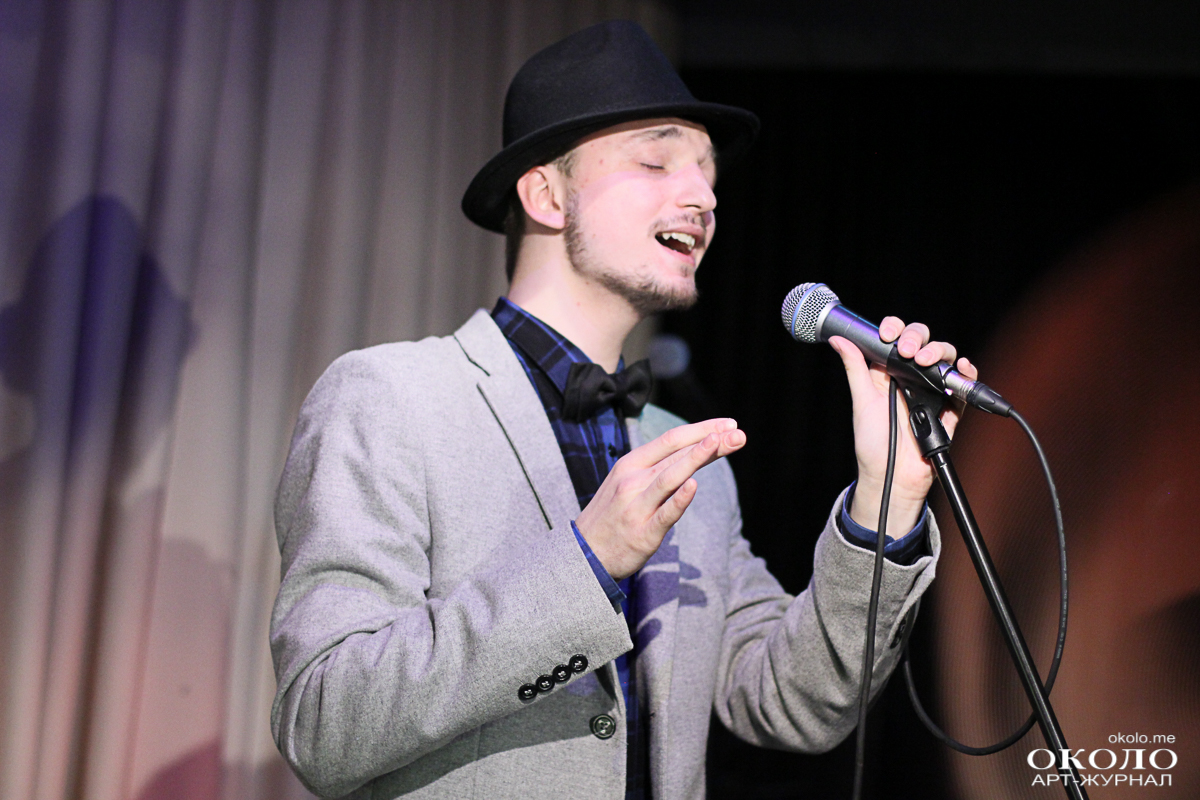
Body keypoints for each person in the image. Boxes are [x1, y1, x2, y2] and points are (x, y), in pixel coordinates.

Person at [269, 20, 977, 800]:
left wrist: (886, 500)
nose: (703, 197)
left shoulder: (685, 457)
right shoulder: (391, 398)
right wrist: (586, 564)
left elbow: (796, 704)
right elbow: (324, 723)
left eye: (708, 175)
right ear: (546, 194)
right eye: (656, 161)